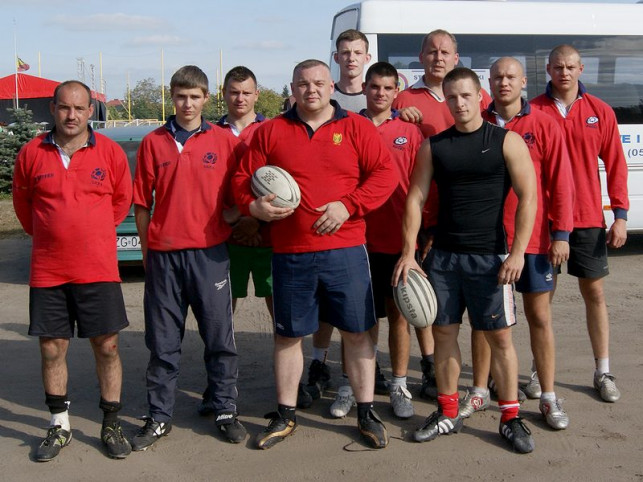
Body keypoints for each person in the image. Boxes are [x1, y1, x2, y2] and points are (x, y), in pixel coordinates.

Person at [233, 59, 397, 450]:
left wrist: (348, 205)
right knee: (288, 335)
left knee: (357, 333)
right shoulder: (271, 131)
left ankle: (366, 412)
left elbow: (385, 174)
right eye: (304, 84)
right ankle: (285, 414)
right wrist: (253, 208)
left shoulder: (356, 127)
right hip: (291, 252)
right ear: (293, 88)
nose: (312, 90)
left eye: (319, 83)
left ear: (332, 86)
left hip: (346, 250)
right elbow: (241, 180)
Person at [394, 67, 538, 454]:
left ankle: (510, 417)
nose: (459, 103)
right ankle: (447, 411)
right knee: (443, 334)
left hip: (490, 257)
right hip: (443, 257)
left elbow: (529, 197)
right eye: (452, 97)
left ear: (480, 97)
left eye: (465, 96)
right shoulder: (435, 146)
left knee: (500, 337)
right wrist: (409, 252)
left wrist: (518, 252)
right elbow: (414, 198)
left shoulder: (506, 141)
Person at [12, 80, 133, 461]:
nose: (72, 115)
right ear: (53, 108)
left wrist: (91, 234)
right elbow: (23, 207)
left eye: (80, 108)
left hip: (98, 270)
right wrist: (55, 233)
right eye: (65, 107)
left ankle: (111, 422)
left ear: (90, 111)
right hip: (48, 270)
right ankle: (59, 424)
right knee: (52, 349)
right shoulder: (31, 153)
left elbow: (121, 201)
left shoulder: (110, 152)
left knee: (107, 347)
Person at [131, 65, 246, 449]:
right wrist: (148, 251)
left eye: (195, 97)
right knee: (163, 342)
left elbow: (243, 191)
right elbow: (142, 203)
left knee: (218, 336)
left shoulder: (223, 141)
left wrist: (231, 217)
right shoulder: (153, 142)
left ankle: (224, 408)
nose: (187, 103)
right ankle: (159, 416)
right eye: (181, 96)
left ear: (206, 99)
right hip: (164, 257)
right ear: (172, 97)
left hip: (209, 255)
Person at [459, 57, 574, 430]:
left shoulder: (544, 124)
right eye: (497, 77)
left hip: (535, 241)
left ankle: (548, 396)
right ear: (488, 83)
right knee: (483, 320)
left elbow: (561, 182)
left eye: (511, 76)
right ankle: (479, 389)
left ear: (524, 81)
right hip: (487, 241)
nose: (504, 82)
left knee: (539, 317)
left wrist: (561, 234)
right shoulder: (477, 123)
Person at [392, 28, 494, 401]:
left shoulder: (476, 97)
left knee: (479, 310)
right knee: (423, 300)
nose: (438, 57)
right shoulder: (404, 98)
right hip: (420, 216)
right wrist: (397, 113)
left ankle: (485, 376)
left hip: (461, 218)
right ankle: (430, 366)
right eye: (432, 51)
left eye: (445, 51)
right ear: (420, 57)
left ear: (456, 57)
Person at [531, 45, 629, 402]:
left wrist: (620, 216)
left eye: (570, 67)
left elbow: (616, 165)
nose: (564, 73)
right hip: (544, 220)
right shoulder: (534, 110)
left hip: (587, 218)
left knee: (595, 294)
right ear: (548, 69)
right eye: (558, 67)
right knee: (542, 300)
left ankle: (603, 370)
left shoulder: (599, 111)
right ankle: (538, 371)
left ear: (581, 69)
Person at [302, 29, 388, 412]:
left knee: (365, 310)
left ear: (367, 57)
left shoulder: (378, 96)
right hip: (327, 228)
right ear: (335, 58)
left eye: (357, 52)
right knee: (325, 308)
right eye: (345, 51)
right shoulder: (321, 96)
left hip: (369, 223)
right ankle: (319, 363)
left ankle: (369, 371)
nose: (351, 57)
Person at [198, 66, 270, 416]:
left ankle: (291, 384)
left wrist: (255, 219)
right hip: (227, 237)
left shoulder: (271, 130)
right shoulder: (210, 133)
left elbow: (284, 181)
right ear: (224, 94)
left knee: (281, 312)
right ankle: (218, 384)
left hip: (267, 235)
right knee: (221, 315)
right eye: (233, 92)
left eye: (246, 92)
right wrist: (237, 219)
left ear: (257, 94)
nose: (240, 98)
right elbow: (208, 187)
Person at [360, 61, 424, 419]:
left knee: (400, 316)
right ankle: (361, 384)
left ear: (396, 92)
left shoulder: (409, 131)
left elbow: (421, 187)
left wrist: (422, 235)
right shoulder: (349, 126)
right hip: (358, 240)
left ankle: (400, 385)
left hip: (399, 240)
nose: (380, 93)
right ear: (364, 89)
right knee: (363, 319)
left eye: (387, 88)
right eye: (375, 87)